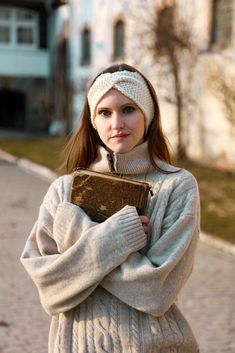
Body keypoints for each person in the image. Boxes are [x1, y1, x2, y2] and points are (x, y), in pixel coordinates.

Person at [21, 63, 200, 353]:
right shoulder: (63, 191)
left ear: (148, 115)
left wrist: (81, 233)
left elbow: (155, 291)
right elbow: (50, 292)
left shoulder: (177, 187)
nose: (117, 123)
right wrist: (114, 240)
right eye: (105, 112)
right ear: (93, 121)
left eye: (128, 109)